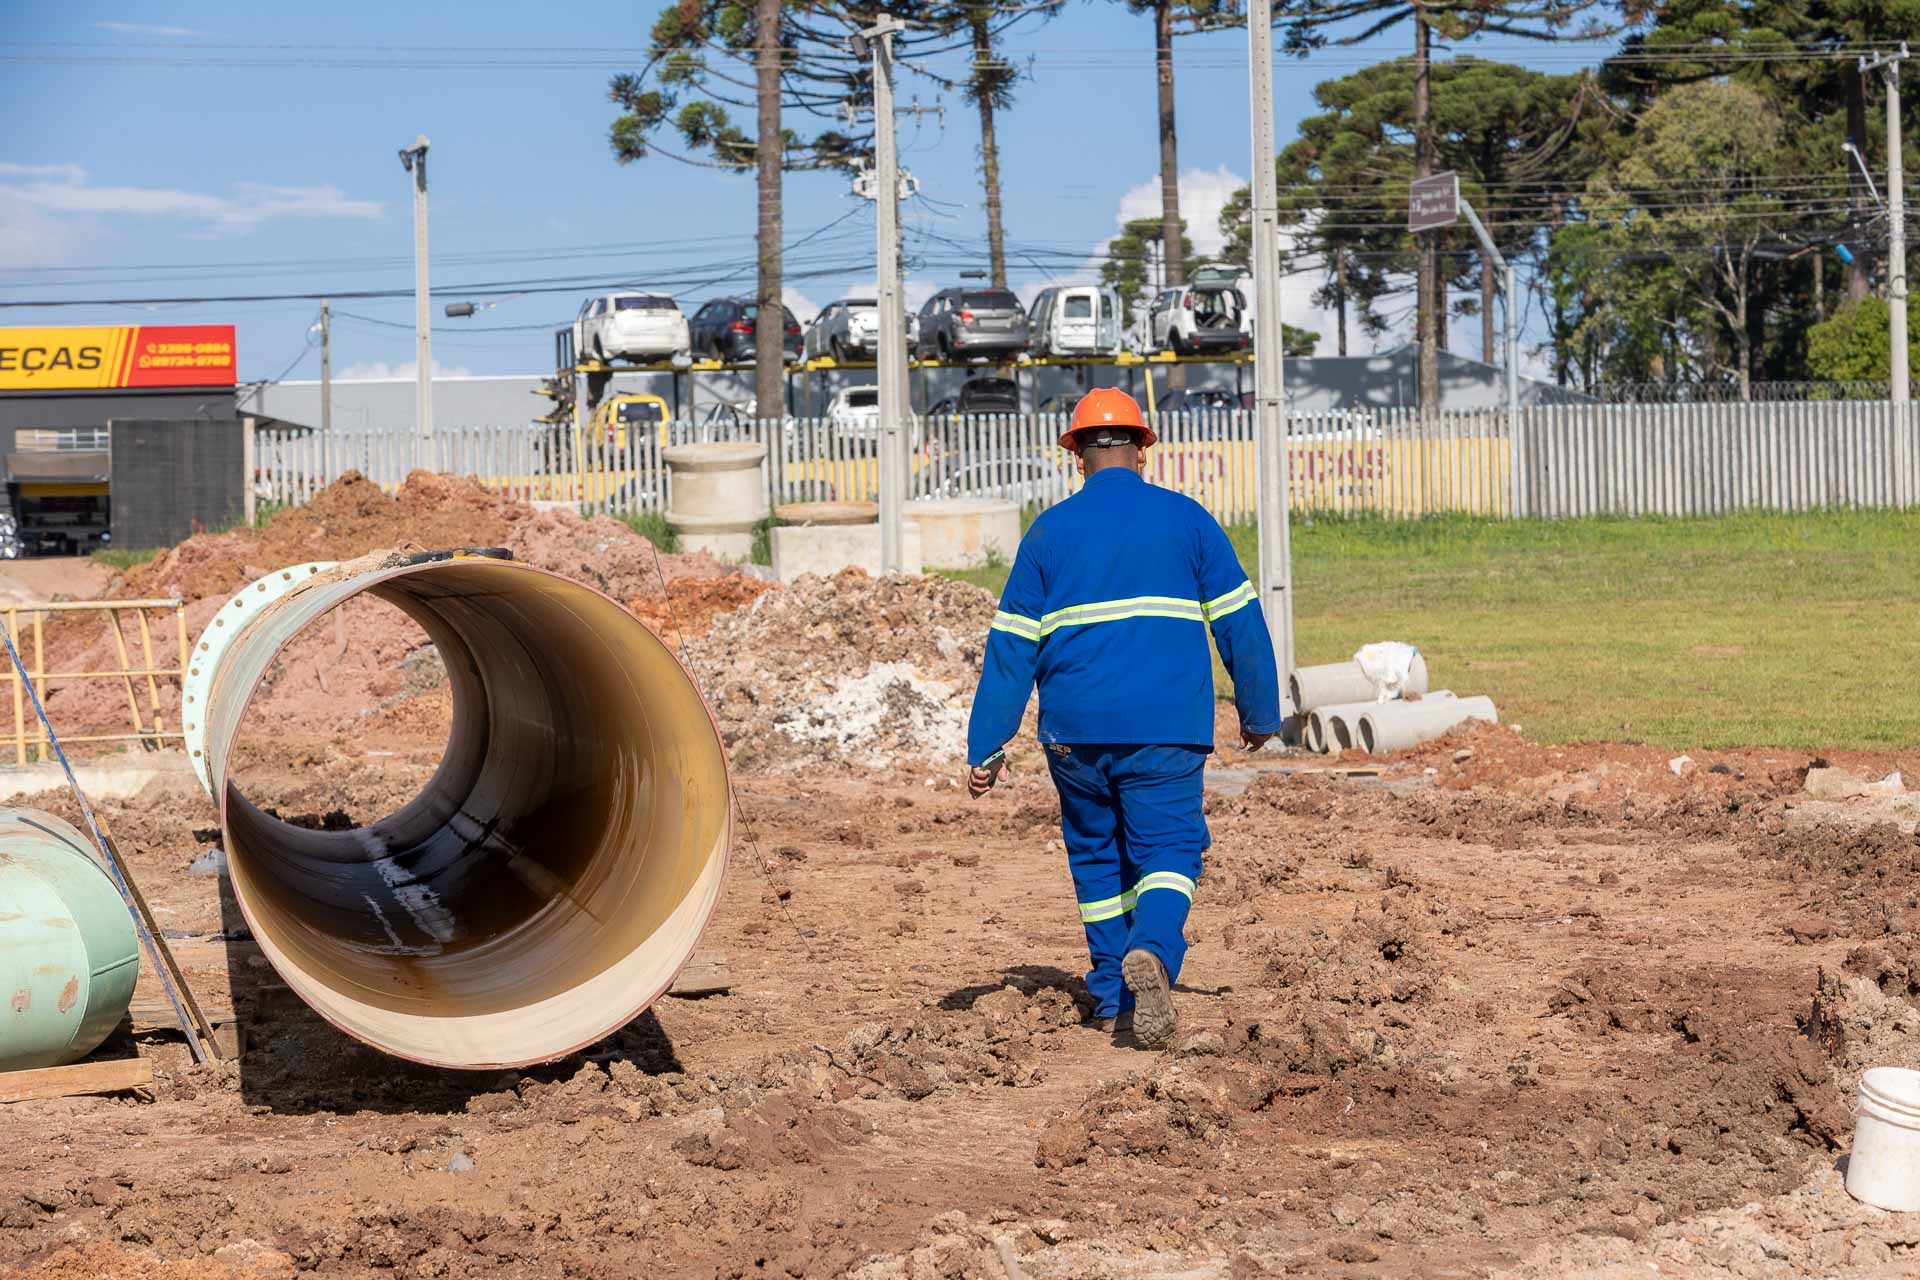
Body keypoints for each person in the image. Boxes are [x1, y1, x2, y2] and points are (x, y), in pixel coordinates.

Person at [964, 387, 1280, 1047]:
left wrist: (987, 745)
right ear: (1143, 449)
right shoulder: (1188, 520)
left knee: (1097, 859)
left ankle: (1112, 996)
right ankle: (1156, 953)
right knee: (1167, 850)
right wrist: (1260, 714)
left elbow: (1011, 648)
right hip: (1168, 729)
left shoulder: (1047, 533)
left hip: (1074, 734)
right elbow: (1241, 625)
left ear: (1076, 454)